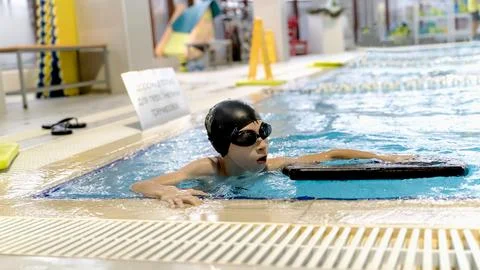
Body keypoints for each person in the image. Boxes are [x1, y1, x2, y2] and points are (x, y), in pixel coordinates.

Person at [131, 100, 413, 208]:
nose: (262, 144)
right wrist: (166, 193)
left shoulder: (268, 167)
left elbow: (330, 154)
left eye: (262, 132)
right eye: (247, 137)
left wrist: (385, 158)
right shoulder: (207, 169)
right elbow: (140, 184)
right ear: (223, 146)